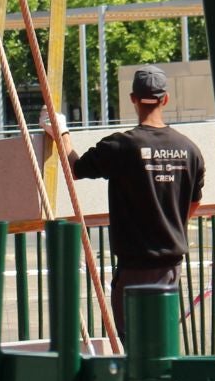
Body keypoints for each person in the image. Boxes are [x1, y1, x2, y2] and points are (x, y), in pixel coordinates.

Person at [58, 67, 205, 337]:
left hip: (135, 266)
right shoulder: (190, 150)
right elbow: (193, 204)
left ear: (133, 99)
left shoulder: (121, 146)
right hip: (171, 265)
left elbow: (74, 169)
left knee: (135, 346)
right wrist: (170, 224)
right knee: (164, 344)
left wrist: (61, 130)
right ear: (166, 99)